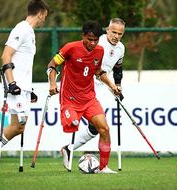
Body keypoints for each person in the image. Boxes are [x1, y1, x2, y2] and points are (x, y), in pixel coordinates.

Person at [0, 0, 50, 177]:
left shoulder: (29, 32)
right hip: (15, 84)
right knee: (18, 126)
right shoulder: (22, 29)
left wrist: (28, 89)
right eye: (44, 16)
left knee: (19, 126)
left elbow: (22, 63)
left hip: (23, 87)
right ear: (40, 13)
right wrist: (13, 83)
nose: (44, 20)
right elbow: (6, 55)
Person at [47, 20, 122, 174]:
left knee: (104, 128)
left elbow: (98, 72)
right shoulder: (70, 48)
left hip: (89, 98)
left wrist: (112, 86)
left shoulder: (100, 51)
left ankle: (103, 167)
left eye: (95, 40)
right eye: (89, 39)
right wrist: (52, 84)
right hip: (70, 98)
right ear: (83, 36)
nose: (92, 43)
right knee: (73, 124)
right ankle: (67, 150)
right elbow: (52, 65)